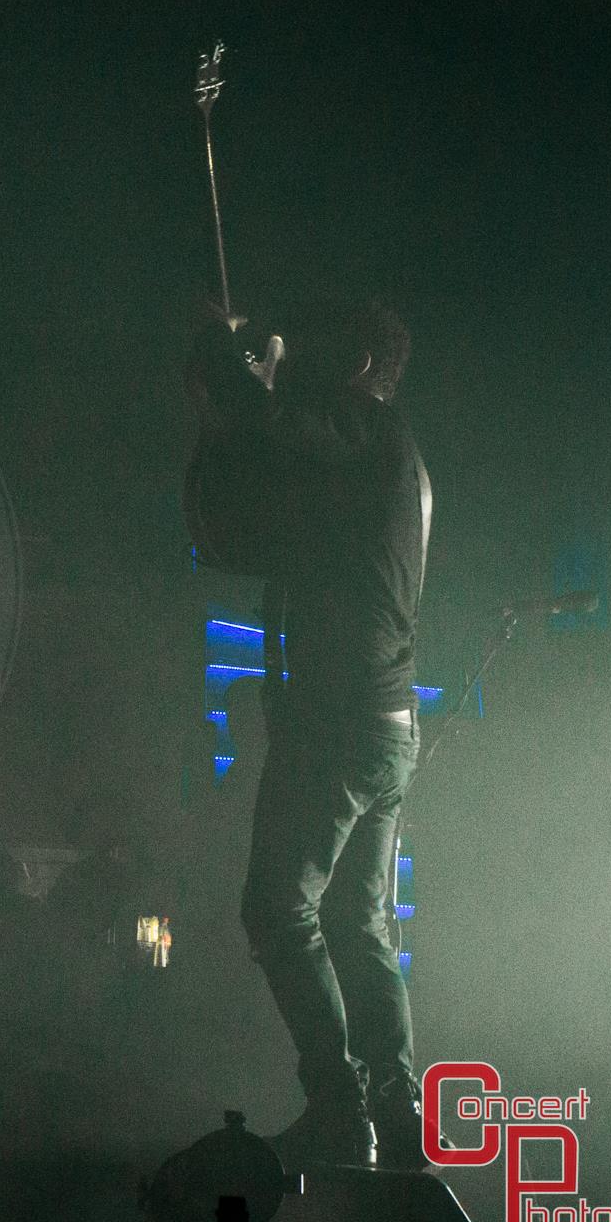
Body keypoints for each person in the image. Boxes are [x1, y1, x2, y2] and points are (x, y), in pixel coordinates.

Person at [186, 295, 431, 1168]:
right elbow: (236, 533)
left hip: (337, 722)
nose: (302, 365)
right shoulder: (368, 465)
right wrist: (227, 410)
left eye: (321, 354)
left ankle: (339, 1107)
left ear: (358, 367)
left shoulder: (367, 429)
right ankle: (395, 1113)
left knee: (277, 908)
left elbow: (276, 423)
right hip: (377, 722)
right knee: (359, 924)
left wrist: (229, 357)